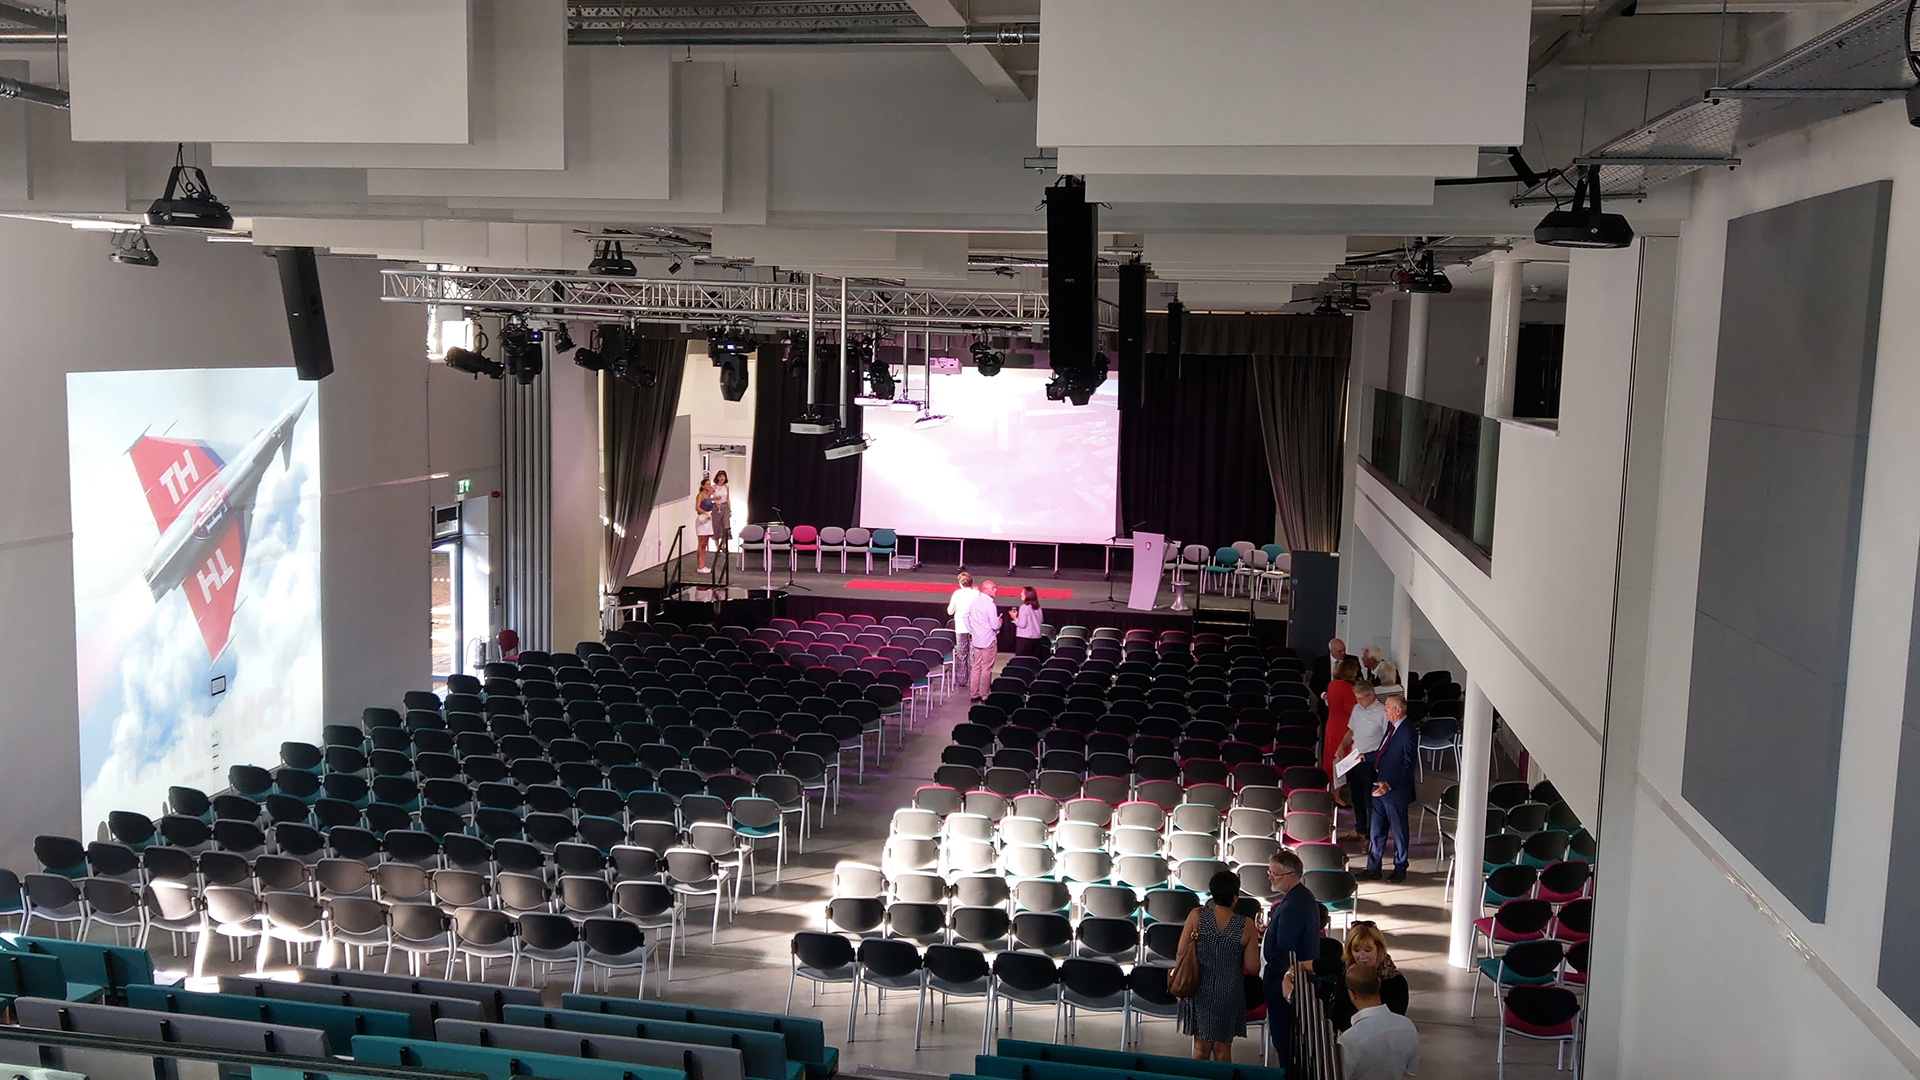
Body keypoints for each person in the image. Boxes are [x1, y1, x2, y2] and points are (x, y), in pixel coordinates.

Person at [1178, 870, 1262, 1061]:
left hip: (1199, 988)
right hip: (1229, 991)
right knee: (1223, 1049)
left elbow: (1181, 952)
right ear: (1235, 897)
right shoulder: (1246, 925)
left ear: (1212, 895)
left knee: (1199, 1048)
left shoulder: (1196, 916)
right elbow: (1252, 967)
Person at [1263, 848, 1320, 1067]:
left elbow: (1285, 948)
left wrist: (1271, 976)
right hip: (1294, 979)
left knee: (1285, 1042)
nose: (1270, 878)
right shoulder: (1301, 898)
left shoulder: (1294, 905)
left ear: (1291, 875)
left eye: (1274, 874)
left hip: (1285, 981)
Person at [1363, 695, 1418, 883]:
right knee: (1376, 829)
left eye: (1387, 707)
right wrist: (1365, 757)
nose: (1384, 710)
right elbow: (1383, 753)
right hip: (1379, 785)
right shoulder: (1391, 727)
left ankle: (1400, 868)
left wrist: (1390, 784)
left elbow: (1408, 766)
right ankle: (1373, 868)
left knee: (1398, 831)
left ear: (1398, 710)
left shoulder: (1408, 732)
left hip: (1395, 790)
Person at [1337, 963, 1419, 1080]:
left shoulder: (1350, 1039)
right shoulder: (1408, 1026)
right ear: (1379, 985)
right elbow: (1409, 1073)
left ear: (1351, 994)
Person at [1334, 682, 1388, 843]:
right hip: (1354, 759)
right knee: (1356, 798)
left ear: (1371, 695)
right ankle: (1360, 830)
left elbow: (1386, 740)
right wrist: (1342, 746)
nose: (1358, 702)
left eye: (1361, 699)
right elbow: (1352, 730)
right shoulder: (1357, 709)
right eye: (1356, 698)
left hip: (1371, 762)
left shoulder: (1382, 712)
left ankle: (1372, 838)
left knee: (1369, 801)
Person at [1321, 658, 1361, 777]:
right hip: (1343, 725)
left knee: (1330, 752)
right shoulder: (1347, 688)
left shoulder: (1332, 684)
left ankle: (1331, 782)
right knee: (1342, 754)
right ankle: (1338, 786)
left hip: (1332, 722)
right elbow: (1350, 708)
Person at [965, 580, 1001, 702]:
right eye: (993, 588)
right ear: (985, 589)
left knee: (976, 667)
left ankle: (974, 694)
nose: (995, 590)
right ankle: (984, 695)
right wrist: (1000, 621)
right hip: (988, 640)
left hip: (977, 640)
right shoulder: (990, 605)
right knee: (986, 668)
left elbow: (965, 615)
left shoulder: (975, 602)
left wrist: (971, 629)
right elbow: (995, 625)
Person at [948, 571, 978, 689]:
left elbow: (950, 611)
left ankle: (962, 680)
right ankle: (973, 681)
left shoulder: (957, 594)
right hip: (974, 628)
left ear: (960, 583)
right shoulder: (977, 594)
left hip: (960, 628)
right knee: (973, 656)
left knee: (961, 654)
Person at [710, 470, 733, 572]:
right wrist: (714, 498)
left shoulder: (726, 487)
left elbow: (728, 499)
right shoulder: (713, 487)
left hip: (724, 507)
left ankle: (724, 545)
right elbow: (708, 498)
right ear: (717, 477)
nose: (722, 478)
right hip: (716, 507)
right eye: (720, 476)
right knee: (716, 526)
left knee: (726, 525)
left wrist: (729, 509)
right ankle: (717, 547)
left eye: (723, 476)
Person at [1013, 586, 1046, 657]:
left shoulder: (1024, 608)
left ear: (1027, 595)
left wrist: (1015, 618)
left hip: (1025, 640)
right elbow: (1041, 621)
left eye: (1022, 592)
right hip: (1037, 639)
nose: (1021, 594)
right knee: (1033, 661)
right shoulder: (1038, 608)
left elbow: (1022, 624)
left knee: (1022, 661)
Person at [694, 481, 716, 573]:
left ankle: (703, 565)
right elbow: (697, 508)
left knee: (705, 544)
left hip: (708, 518)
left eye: (709, 484)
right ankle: (700, 566)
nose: (709, 486)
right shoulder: (700, 495)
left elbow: (710, 507)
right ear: (703, 486)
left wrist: (715, 507)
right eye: (707, 484)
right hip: (702, 519)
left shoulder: (708, 496)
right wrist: (705, 513)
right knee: (701, 543)